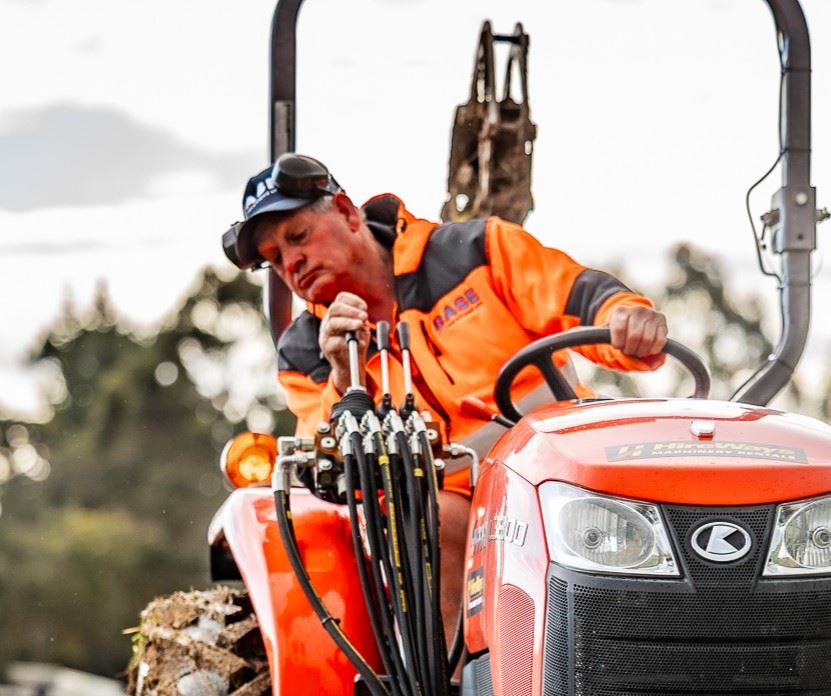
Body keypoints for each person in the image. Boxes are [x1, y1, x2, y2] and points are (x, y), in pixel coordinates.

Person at [222, 153, 669, 623]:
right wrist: (342, 376)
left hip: (553, 475)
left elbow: (579, 297)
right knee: (430, 521)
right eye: (274, 260)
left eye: (298, 237)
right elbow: (331, 470)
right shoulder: (306, 353)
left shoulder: (477, 251)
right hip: (445, 506)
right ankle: (463, 690)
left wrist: (624, 315)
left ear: (348, 213)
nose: (291, 263)